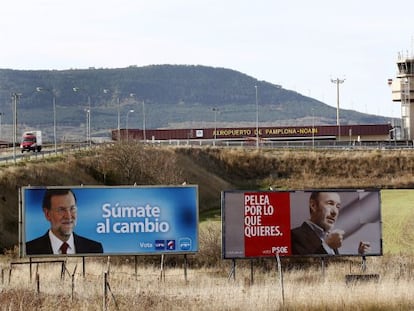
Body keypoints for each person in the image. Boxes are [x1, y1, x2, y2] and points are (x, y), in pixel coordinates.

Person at [26, 188, 103, 255]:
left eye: (72, 209)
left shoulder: (95, 249)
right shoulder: (29, 249)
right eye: (61, 210)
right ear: (47, 214)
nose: (68, 216)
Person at [290, 191, 370, 255]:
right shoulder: (293, 236)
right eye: (330, 203)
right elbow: (303, 268)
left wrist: (361, 255)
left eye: (338, 207)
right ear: (313, 205)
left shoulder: (328, 238)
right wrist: (327, 246)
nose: (335, 212)